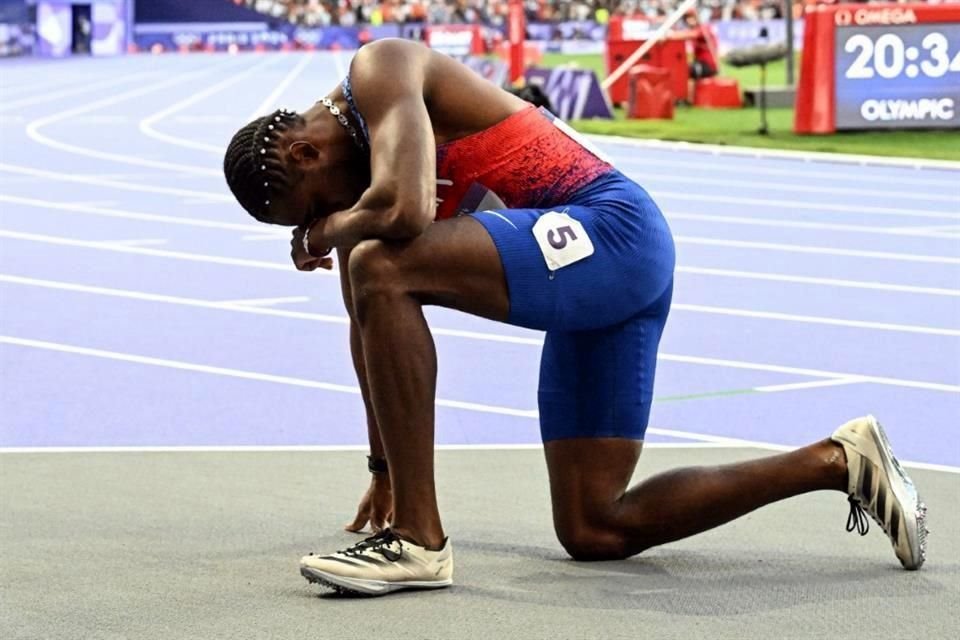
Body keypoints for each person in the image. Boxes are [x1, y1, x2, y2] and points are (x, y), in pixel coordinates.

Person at [222, 39, 928, 597]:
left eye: (313, 207)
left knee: (379, 257)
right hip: (591, 275)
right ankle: (840, 460)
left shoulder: (380, 71)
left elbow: (402, 215)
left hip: (615, 231)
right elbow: (364, 321)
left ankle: (418, 541)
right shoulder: (357, 203)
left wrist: (321, 233)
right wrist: (384, 465)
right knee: (595, 526)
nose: (326, 224)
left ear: (306, 152)